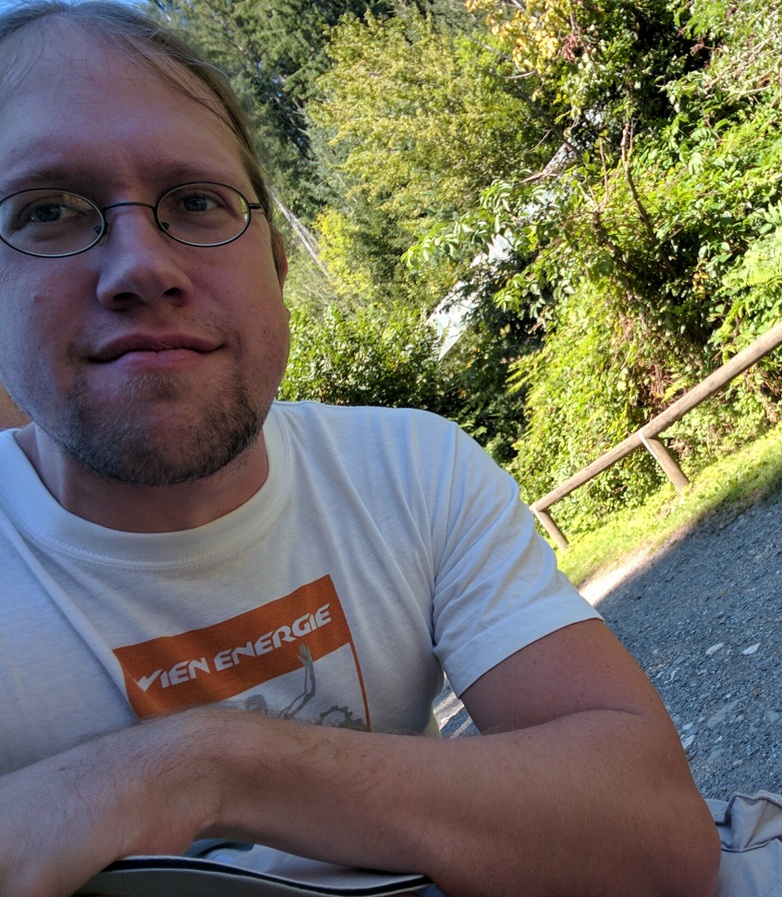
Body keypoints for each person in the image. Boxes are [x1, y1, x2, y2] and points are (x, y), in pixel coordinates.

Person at [0, 3, 723, 895]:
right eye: (47, 211)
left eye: (196, 202)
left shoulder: (412, 469)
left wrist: (211, 764)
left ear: (276, 265)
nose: (143, 266)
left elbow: (655, 834)